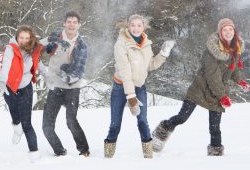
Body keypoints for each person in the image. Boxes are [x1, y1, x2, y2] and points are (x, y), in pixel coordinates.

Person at [152, 18, 249, 156]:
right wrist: (222, 96)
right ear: (220, 33)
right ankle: (161, 131)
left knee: (215, 127)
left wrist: (241, 81)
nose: (228, 32)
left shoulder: (236, 49)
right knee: (182, 117)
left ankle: (216, 154)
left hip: (217, 93)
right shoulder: (212, 51)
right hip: (200, 89)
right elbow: (212, 76)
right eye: (225, 29)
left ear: (234, 31)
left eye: (230, 29)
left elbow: (233, 70)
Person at [104, 14, 175, 158]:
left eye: (139, 25)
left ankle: (148, 156)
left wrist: (163, 54)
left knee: (142, 121)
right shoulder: (121, 44)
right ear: (128, 26)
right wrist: (131, 96)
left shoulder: (146, 44)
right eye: (133, 25)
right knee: (115, 124)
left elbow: (150, 66)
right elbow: (125, 72)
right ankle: (108, 156)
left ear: (144, 27)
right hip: (120, 87)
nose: (136, 28)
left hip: (139, 87)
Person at [40, 12, 90, 157]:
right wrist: (49, 41)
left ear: (79, 25)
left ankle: (84, 150)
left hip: (72, 88)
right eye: (69, 21)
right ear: (64, 23)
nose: (71, 24)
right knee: (47, 126)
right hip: (55, 87)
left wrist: (68, 77)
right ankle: (60, 151)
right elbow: (39, 46)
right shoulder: (56, 35)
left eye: (75, 22)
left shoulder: (81, 45)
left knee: (70, 121)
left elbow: (80, 70)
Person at [0, 25, 44, 159]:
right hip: (9, 87)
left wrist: (47, 74)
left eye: (27, 38)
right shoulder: (11, 49)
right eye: (21, 37)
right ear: (17, 37)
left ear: (30, 38)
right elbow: (6, 65)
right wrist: (2, 80)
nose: (23, 40)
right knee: (15, 114)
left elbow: (38, 63)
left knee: (27, 122)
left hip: (26, 88)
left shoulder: (33, 49)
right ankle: (17, 127)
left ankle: (34, 151)